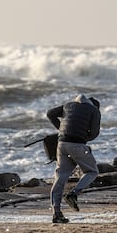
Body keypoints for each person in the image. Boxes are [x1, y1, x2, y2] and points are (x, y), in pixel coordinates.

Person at [47, 94, 101, 223]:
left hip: (61, 144)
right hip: (77, 145)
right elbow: (94, 133)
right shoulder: (94, 111)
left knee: (60, 177)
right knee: (92, 171)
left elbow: (50, 114)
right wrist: (83, 136)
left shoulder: (68, 105)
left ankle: (56, 213)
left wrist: (61, 128)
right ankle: (73, 193)